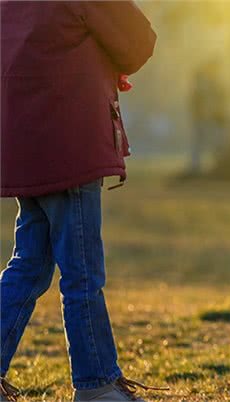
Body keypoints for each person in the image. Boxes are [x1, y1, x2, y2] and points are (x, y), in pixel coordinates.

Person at [1, 2, 160, 401]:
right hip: (68, 139)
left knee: (31, 265)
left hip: (26, 140)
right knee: (82, 270)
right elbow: (138, 41)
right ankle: (98, 384)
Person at [189, 59, 228, 174]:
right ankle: (197, 166)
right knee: (204, 142)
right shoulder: (205, 84)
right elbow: (199, 101)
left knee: (213, 142)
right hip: (205, 118)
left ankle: (217, 164)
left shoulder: (213, 83)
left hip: (211, 118)